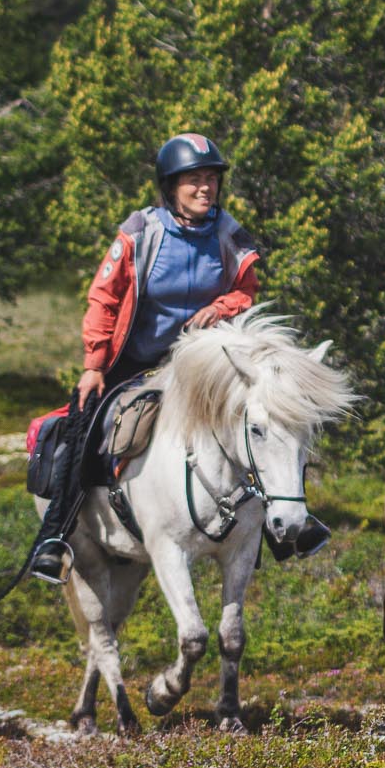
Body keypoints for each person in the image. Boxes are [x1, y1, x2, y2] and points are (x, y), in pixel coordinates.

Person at [28, 133, 263, 584]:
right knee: (82, 426)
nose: (205, 189)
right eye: (193, 180)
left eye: (211, 179)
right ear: (170, 187)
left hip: (201, 366)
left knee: (268, 416)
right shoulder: (141, 232)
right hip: (134, 362)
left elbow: (245, 291)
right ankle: (54, 536)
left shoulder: (230, 234)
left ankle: (282, 528)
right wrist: (94, 365)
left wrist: (222, 307)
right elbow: (104, 298)